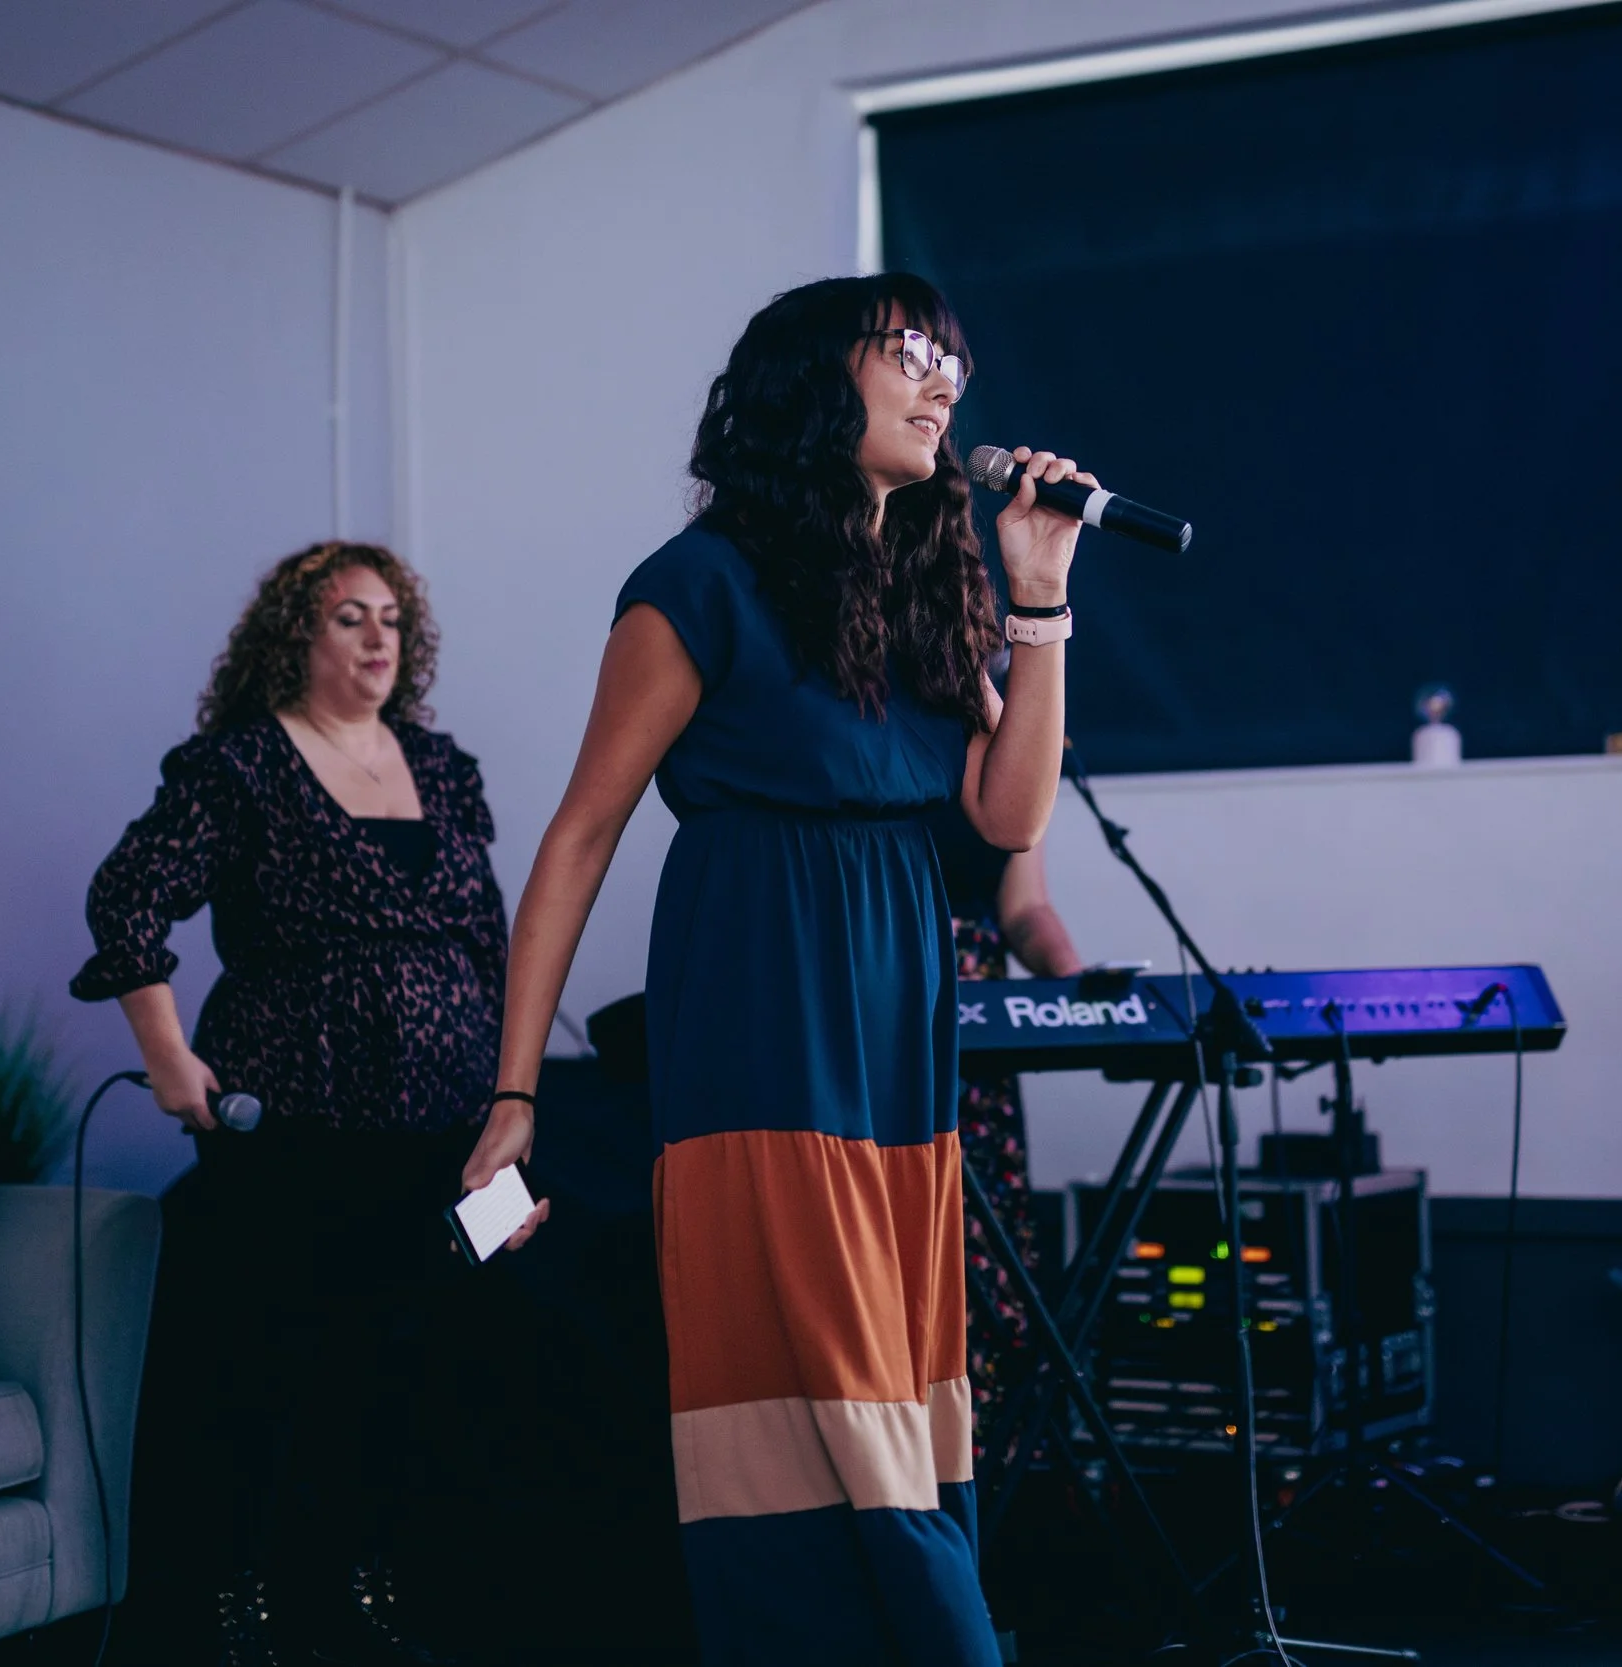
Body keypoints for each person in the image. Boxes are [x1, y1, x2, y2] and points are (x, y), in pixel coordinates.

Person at [460, 273, 1088, 1666]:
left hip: (897, 1008)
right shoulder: (700, 581)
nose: (944, 385)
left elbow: (1012, 817)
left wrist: (1036, 598)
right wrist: (515, 1093)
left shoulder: (930, 583)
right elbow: (577, 838)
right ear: (816, 380)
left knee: (895, 1377)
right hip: (763, 992)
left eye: (955, 361)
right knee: (825, 1364)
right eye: (912, 353)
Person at [72, 542, 513, 1667]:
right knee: (277, 1365)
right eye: (347, 617)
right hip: (296, 1121)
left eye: (391, 620)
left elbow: (488, 944)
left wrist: (513, 1104)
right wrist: (171, 1062)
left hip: (448, 1124)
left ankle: (371, 1592)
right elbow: (127, 899)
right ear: (295, 638)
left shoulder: (443, 767)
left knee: (413, 1364)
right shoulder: (240, 767)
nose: (377, 638)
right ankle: (246, 1603)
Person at [930, 809, 1082, 1463]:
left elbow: (1023, 910)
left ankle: (996, 1463)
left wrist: (1080, 986)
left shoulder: (1006, 731)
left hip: (977, 1042)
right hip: (873, 992)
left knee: (986, 1243)